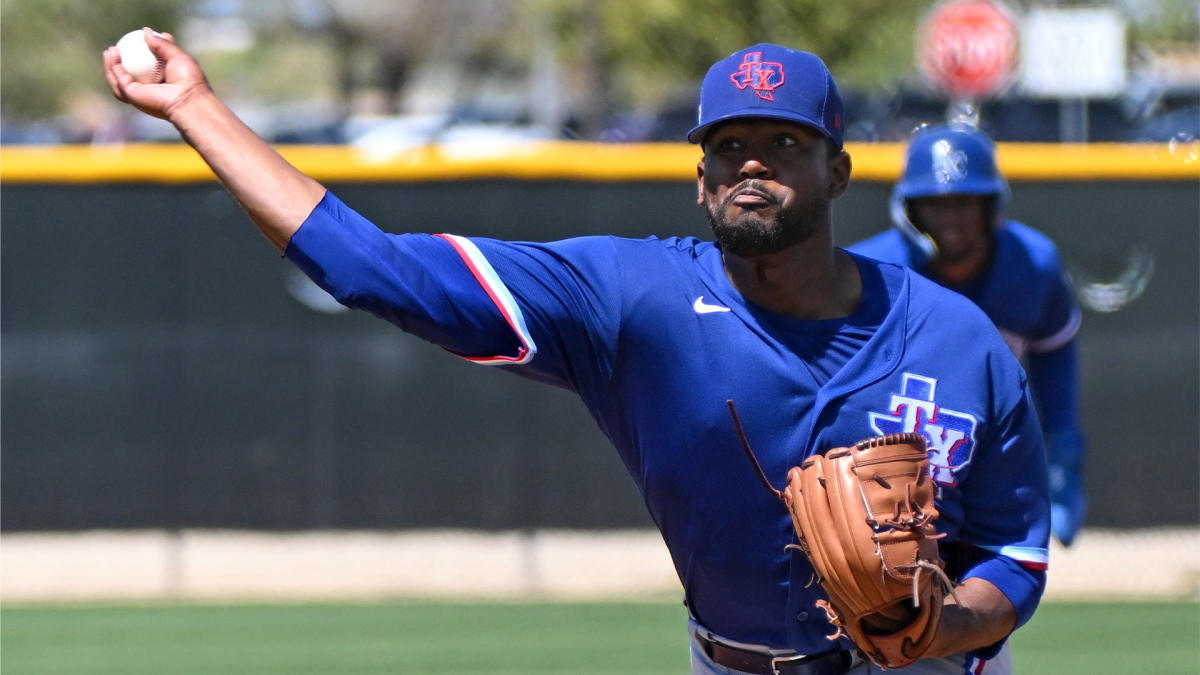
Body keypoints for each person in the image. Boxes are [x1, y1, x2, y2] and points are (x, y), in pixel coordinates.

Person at [104, 33, 1049, 674]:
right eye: (726, 145)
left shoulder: (955, 336)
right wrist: (195, 107)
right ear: (699, 177)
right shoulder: (630, 301)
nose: (749, 163)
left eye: (781, 141)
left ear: (836, 170)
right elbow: (376, 269)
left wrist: (942, 621)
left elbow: (1015, 552)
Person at [849, 123, 1087, 547]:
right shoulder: (872, 272)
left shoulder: (1033, 266)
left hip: (984, 444)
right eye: (936, 204)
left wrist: (1063, 451)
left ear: (991, 207)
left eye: (965, 202)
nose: (950, 218)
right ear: (910, 210)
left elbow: (1054, 350)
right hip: (894, 447)